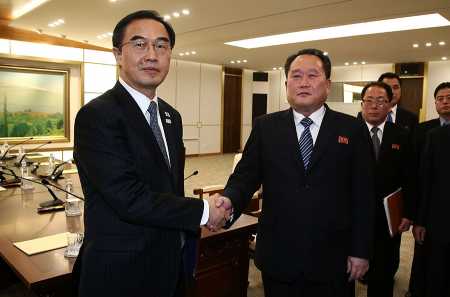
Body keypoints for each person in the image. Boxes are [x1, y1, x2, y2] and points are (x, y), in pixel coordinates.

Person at [73, 10, 229, 297]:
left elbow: (169, 187)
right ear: (118, 55)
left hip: (170, 262)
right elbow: (129, 198)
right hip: (120, 272)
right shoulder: (97, 116)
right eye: (139, 44)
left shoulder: (171, 116)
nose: (152, 54)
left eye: (161, 45)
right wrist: (205, 211)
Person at [215, 48, 374, 297]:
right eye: (296, 76)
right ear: (287, 83)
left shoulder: (353, 130)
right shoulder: (265, 127)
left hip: (334, 256)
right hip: (279, 254)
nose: (304, 83)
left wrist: (361, 249)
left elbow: (364, 195)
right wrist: (228, 200)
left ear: (328, 84)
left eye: (312, 75)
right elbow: (245, 177)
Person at [358, 81, 413, 297]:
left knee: (383, 271)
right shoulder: (346, 132)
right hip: (352, 216)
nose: (374, 106)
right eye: (369, 101)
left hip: (388, 217)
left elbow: (410, 177)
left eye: (380, 101)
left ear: (390, 105)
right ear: (362, 104)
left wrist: (408, 213)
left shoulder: (402, 135)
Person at [411, 82, 450, 297]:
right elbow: (422, 177)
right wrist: (420, 218)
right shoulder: (430, 133)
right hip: (437, 213)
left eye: (449, 97)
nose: (445, 102)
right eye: (441, 98)